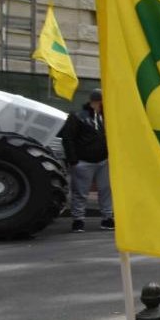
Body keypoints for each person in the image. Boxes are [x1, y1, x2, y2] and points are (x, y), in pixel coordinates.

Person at [59, 88, 114, 232]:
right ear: (95, 102)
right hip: (84, 161)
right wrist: (73, 160)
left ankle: (107, 218)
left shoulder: (105, 116)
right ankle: (78, 220)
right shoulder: (78, 116)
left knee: (105, 190)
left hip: (102, 160)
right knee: (80, 192)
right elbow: (68, 138)